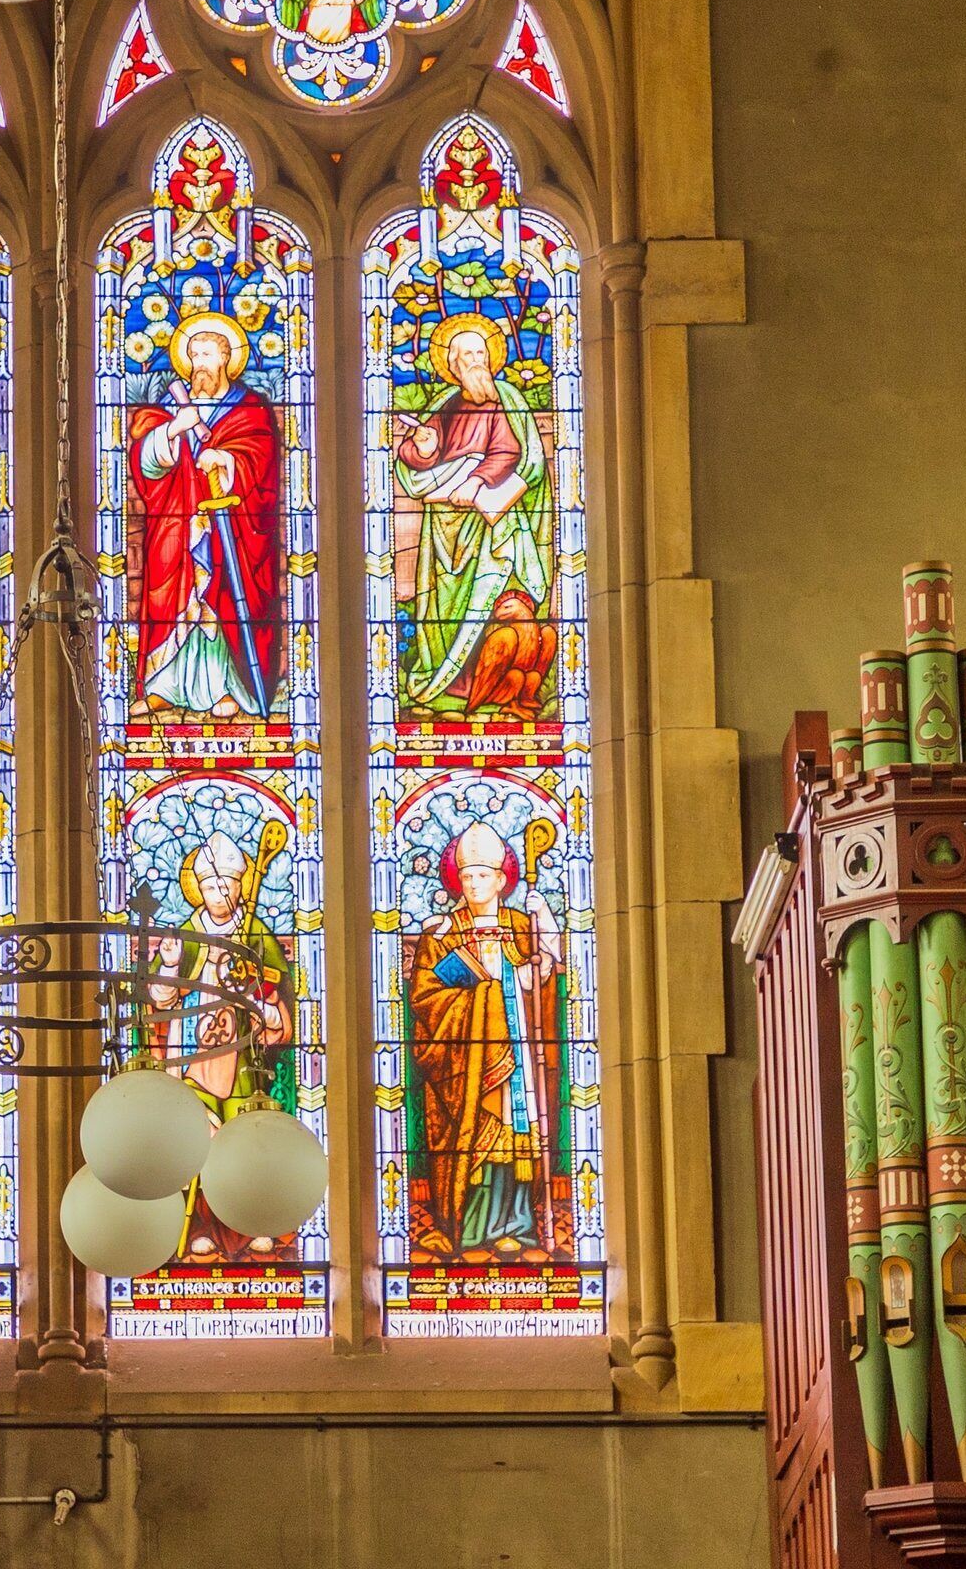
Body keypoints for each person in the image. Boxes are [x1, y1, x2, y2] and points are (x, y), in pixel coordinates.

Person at [401, 818, 568, 1257]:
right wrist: (479, 996)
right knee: (478, 1133)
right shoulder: (443, 932)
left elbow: (542, 978)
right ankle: (471, 1225)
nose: (474, 883)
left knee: (517, 1132)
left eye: (483, 876)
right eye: (467, 876)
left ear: (501, 880)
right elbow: (425, 996)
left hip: (517, 1054)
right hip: (466, 1060)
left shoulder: (519, 923)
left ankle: (518, 1220)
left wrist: (538, 959)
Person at [144, 821, 299, 1261]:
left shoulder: (256, 936)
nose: (219, 893)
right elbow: (159, 998)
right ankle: (201, 1227)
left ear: (238, 887)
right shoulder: (184, 937)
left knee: (244, 1139)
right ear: (198, 890)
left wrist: (264, 1008)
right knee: (198, 1139)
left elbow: (278, 1005)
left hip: (244, 1060)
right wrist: (171, 966)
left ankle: (251, 1227)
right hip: (191, 1055)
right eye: (210, 885)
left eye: (227, 884)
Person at [389, 315, 555, 717]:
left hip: (488, 523)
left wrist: (478, 480)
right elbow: (414, 457)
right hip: (444, 526)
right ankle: (448, 684)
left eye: (481, 352)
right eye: (466, 355)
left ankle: (494, 689)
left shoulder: (506, 400)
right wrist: (425, 446)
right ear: (453, 363)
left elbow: (514, 453)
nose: (475, 360)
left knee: (487, 603)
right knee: (444, 610)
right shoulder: (445, 405)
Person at [126, 311, 286, 720]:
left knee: (222, 596)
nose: (199, 364)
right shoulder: (169, 407)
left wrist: (228, 461)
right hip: (177, 525)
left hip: (232, 525)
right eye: (193, 355)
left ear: (227, 358)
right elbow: (145, 463)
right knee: (173, 599)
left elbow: (261, 459)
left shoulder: (249, 409)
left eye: (208, 354)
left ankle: (228, 687)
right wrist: (173, 430)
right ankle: (165, 684)